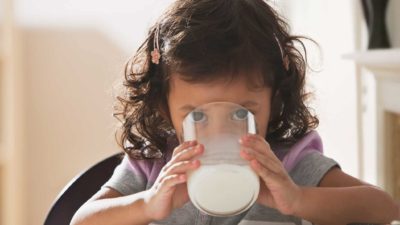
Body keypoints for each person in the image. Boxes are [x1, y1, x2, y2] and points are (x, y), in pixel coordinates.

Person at [70, 0, 400, 224]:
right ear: (163, 106)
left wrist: (298, 198)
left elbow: (383, 207)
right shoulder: (155, 163)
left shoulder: (288, 162)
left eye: (242, 112)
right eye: (197, 115)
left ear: (276, 98)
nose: (219, 129)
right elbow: (82, 220)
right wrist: (147, 203)